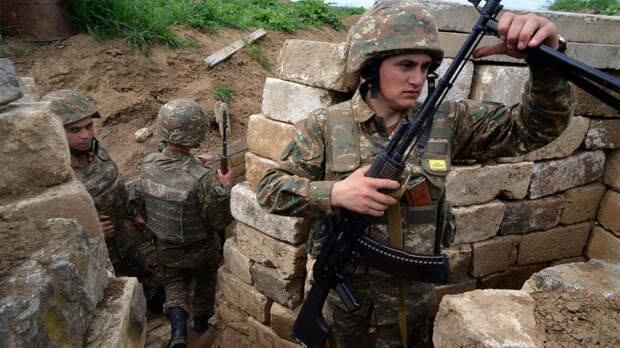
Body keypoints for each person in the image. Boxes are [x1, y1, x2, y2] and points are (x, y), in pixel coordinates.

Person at [256, 1, 573, 347]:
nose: (417, 79)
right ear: (371, 67)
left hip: (414, 292)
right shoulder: (325, 125)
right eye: (405, 65)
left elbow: (535, 128)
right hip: (344, 284)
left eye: (425, 67)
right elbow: (270, 190)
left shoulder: (447, 122)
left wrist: (545, 60)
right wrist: (334, 194)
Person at [45, 89, 165, 313]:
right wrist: (91, 232)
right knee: (114, 296)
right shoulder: (53, 176)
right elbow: (49, 230)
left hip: (122, 235)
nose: (85, 135)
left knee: (144, 273)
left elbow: (116, 185)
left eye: (89, 126)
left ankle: (158, 305)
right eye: (74, 130)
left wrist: (133, 214)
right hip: (97, 252)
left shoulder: (96, 150)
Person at [133, 99, 234, 348]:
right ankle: (201, 322)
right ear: (197, 134)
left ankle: (178, 329)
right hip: (200, 249)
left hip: (165, 247)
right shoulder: (203, 180)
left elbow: (165, 168)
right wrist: (227, 187)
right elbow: (218, 220)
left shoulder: (147, 164)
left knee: (174, 282)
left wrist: (190, 163)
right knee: (206, 279)